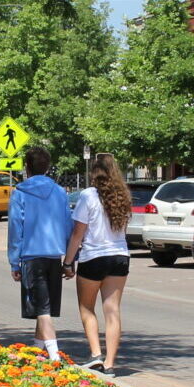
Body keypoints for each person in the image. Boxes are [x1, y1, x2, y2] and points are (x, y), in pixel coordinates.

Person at [63, 152, 131, 375]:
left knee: (86, 307)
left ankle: (95, 354)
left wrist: (68, 262)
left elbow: (77, 234)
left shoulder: (88, 196)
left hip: (93, 257)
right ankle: (110, 364)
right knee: (112, 310)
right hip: (120, 256)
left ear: (94, 173)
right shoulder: (123, 195)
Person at [6, 145, 74, 362]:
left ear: (27, 167)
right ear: (48, 167)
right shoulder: (60, 192)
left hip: (31, 255)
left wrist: (14, 262)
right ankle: (37, 351)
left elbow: (16, 228)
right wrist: (70, 261)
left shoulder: (20, 193)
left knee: (42, 308)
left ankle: (55, 356)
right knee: (43, 305)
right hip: (55, 255)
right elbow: (67, 225)